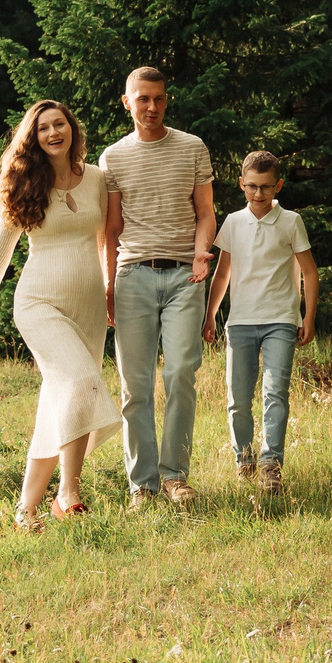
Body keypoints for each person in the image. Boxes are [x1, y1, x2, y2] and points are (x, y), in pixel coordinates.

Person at [0, 100, 119, 530]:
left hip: (86, 304)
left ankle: (25, 511)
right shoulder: (25, 182)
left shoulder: (98, 180)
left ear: (72, 129)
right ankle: (68, 492)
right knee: (82, 384)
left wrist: (110, 287)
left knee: (59, 403)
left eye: (60, 124)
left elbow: (109, 239)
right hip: (38, 303)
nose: (53, 133)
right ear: (34, 137)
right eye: (44, 128)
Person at [101, 66, 216, 506]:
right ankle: (142, 486)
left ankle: (174, 476)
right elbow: (111, 229)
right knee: (135, 385)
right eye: (143, 99)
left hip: (187, 274)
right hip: (133, 275)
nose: (152, 107)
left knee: (181, 371)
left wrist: (203, 253)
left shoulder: (192, 147)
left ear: (167, 100)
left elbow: (205, 212)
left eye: (160, 99)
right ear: (127, 101)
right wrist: (108, 283)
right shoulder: (113, 157)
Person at [203, 151, 319, 496]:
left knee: (274, 393)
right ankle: (245, 459)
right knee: (238, 398)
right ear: (241, 184)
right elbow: (222, 272)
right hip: (240, 322)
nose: (258, 194)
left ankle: (271, 465)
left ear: (278, 185)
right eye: (251, 187)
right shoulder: (233, 222)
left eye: (266, 187)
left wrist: (308, 316)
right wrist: (210, 313)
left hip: (281, 320)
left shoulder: (291, 222)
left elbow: (310, 273)